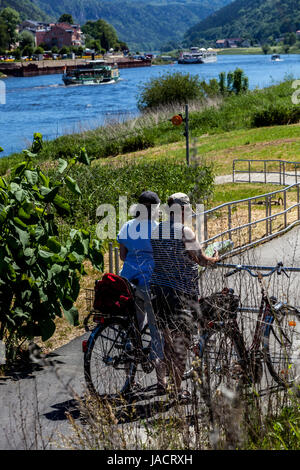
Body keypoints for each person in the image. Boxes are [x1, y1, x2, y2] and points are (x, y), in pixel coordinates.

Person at [150, 192, 219, 400]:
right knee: (180, 343)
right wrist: (216, 257)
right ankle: (177, 391)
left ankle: (169, 383)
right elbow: (201, 259)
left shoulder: (156, 229)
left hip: (158, 291)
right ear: (181, 210)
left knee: (168, 341)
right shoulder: (185, 231)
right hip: (180, 294)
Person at [117, 191, 164, 367]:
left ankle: (130, 371)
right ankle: (160, 375)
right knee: (155, 326)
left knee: (132, 326)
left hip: (127, 281)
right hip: (149, 282)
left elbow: (122, 256)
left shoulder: (127, 226)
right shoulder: (158, 229)